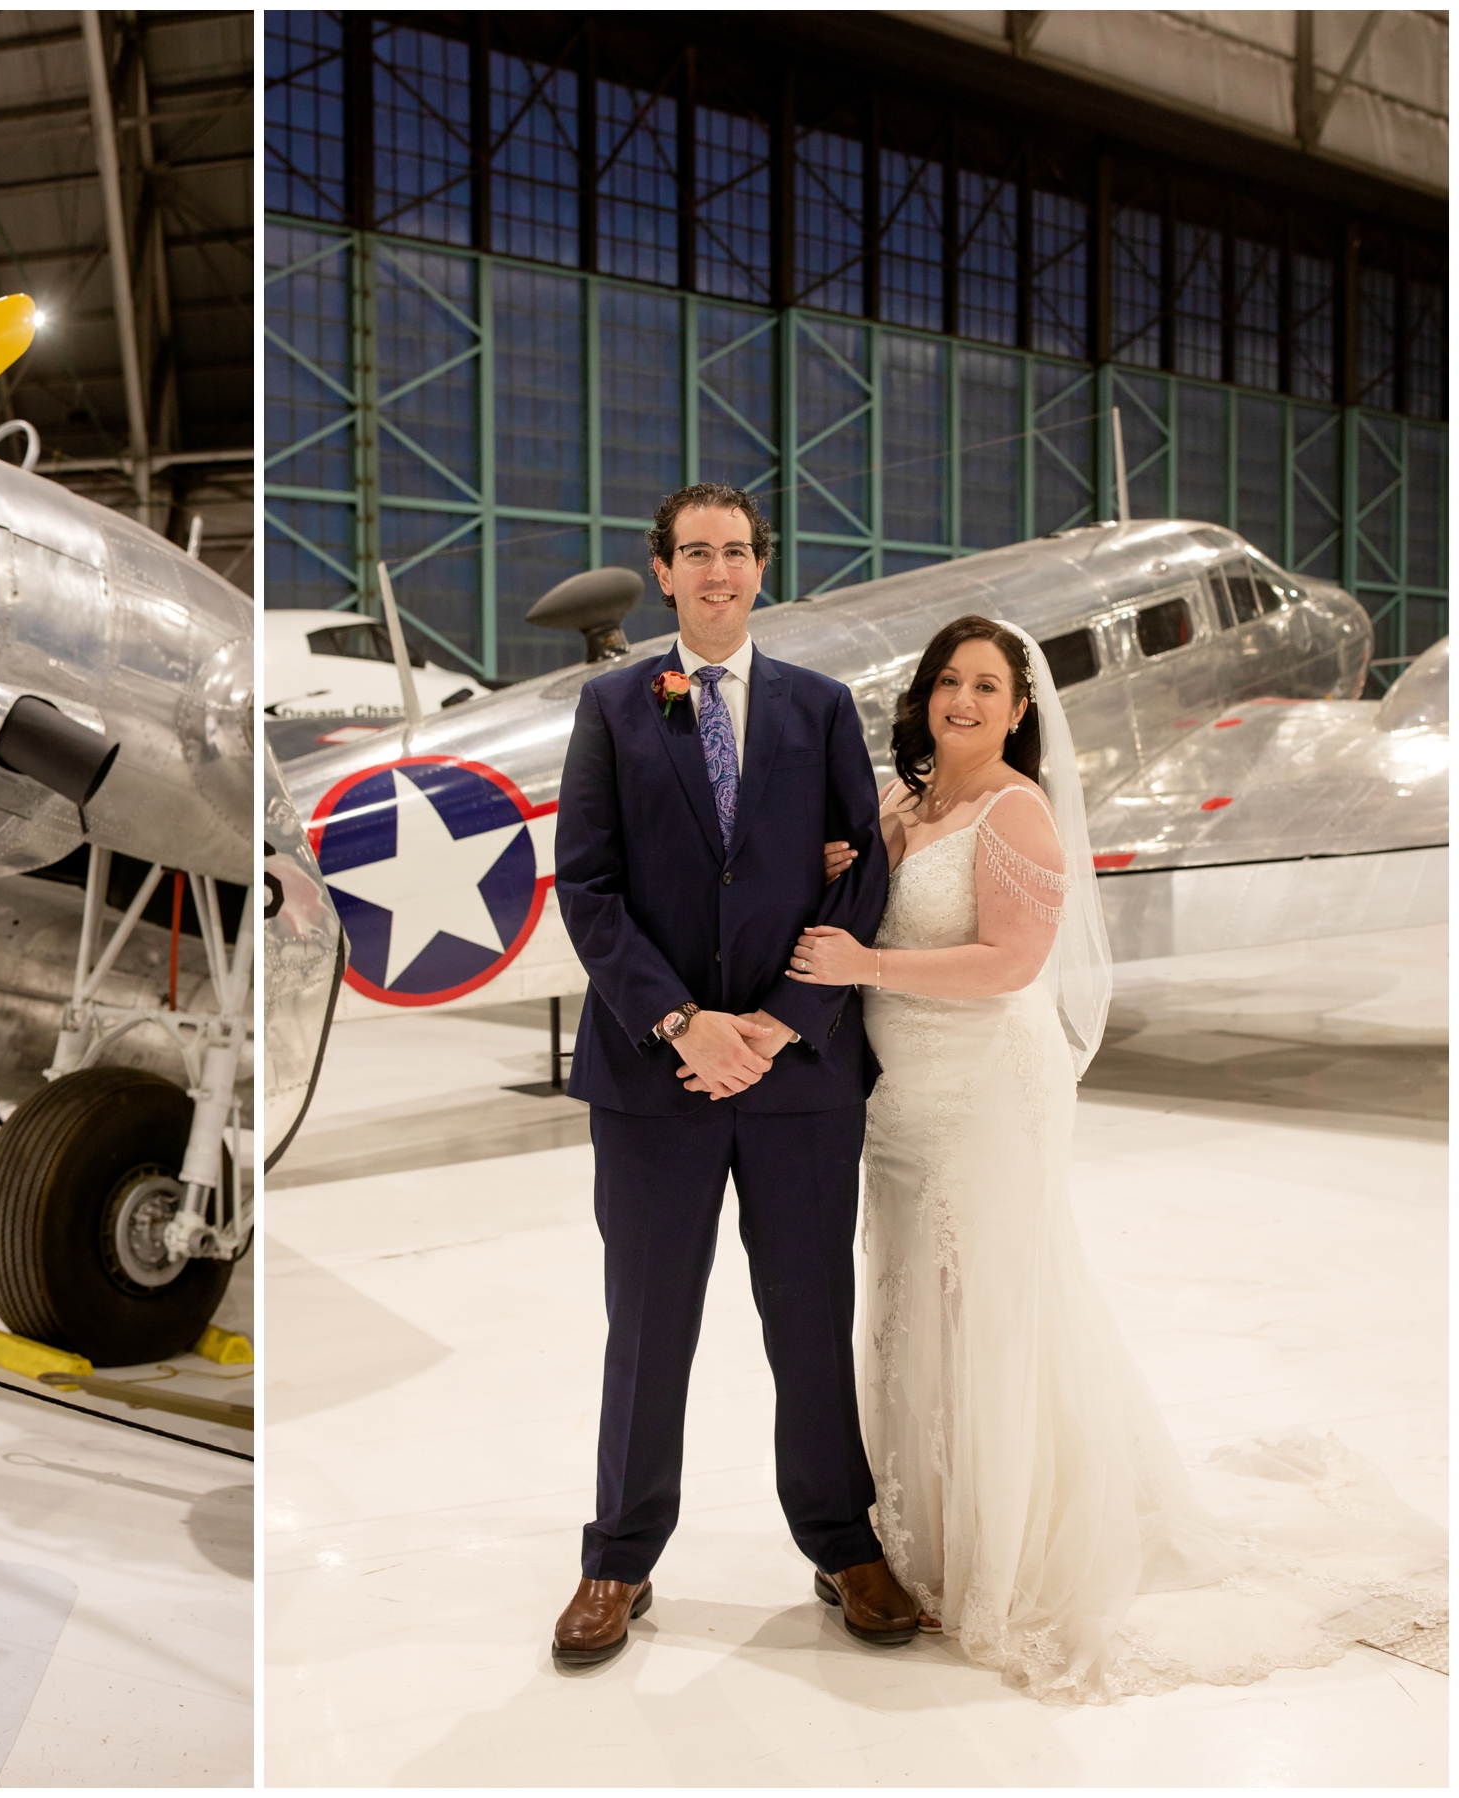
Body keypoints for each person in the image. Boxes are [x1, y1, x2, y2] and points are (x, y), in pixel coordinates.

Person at [796, 616, 1445, 1702]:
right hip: (900, 1104)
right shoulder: (904, 805)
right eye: (948, 682)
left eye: (987, 686)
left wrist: (864, 958)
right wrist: (844, 867)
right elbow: (869, 894)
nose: (963, 700)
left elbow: (1011, 963)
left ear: (1017, 709)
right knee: (910, 1307)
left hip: (987, 1096)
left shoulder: (1019, 809)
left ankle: (1006, 1556)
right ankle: (926, 1538)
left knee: (991, 1309)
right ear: (922, 698)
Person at [548, 482, 919, 1671]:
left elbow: (858, 881)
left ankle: (841, 1539)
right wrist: (679, 1022)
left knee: (810, 1319)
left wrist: (772, 1023)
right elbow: (589, 885)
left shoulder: (817, 708)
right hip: (654, 1080)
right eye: (695, 553)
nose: (718, 571)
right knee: (647, 1327)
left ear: (763, 568)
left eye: (737, 551)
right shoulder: (613, 704)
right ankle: (617, 1557)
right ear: (662, 572)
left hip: (798, 1074)